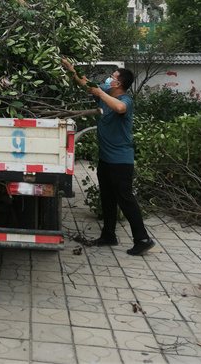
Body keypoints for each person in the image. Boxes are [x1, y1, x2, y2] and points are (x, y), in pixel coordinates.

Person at [62, 59, 155, 256]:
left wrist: (101, 93)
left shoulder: (126, 101)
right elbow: (86, 83)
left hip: (121, 161)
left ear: (118, 84)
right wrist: (70, 68)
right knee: (108, 198)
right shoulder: (105, 96)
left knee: (125, 199)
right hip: (106, 159)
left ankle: (142, 238)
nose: (108, 80)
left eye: (112, 78)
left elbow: (120, 108)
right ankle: (108, 235)